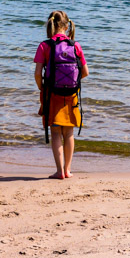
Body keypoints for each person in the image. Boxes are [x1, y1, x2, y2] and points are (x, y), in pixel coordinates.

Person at [34, 10, 89, 179]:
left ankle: (59, 171)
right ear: (67, 26)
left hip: (52, 93)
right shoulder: (75, 45)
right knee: (69, 132)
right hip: (71, 94)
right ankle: (68, 170)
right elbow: (85, 72)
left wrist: (42, 88)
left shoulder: (45, 45)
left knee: (56, 132)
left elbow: (37, 73)